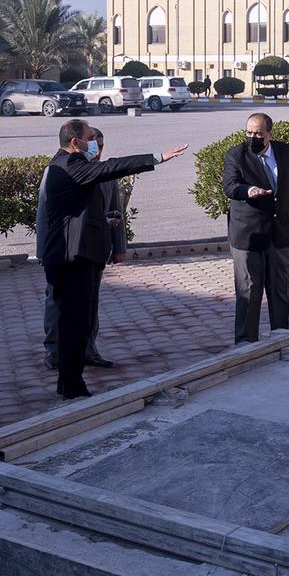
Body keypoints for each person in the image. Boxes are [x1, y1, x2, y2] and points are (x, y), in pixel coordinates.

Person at [42, 119, 186, 399]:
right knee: (75, 325)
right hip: (73, 259)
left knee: (74, 323)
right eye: (90, 138)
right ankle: (72, 387)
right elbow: (112, 167)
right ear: (76, 142)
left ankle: (67, 382)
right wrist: (157, 157)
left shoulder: (64, 163)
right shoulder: (71, 165)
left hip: (74, 255)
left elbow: (77, 211)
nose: (94, 144)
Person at [38, 126, 127, 372]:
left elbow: (117, 210)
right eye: (93, 144)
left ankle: (88, 349)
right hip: (64, 251)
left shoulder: (106, 173)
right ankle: (54, 351)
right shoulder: (59, 170)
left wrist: (119, 246)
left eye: (101, 146)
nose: (97, 150)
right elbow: (44, 213)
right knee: (56, 300)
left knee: (90, 301)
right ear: (78, 144)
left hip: (94, 249)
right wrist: (43, 250)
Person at [223, 113, 289, 344]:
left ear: (269, 134)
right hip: (248, 236)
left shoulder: (285, 152)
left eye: (259, 134)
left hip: (279, 234)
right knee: (248, 292)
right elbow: (230, 186)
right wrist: (249, 190)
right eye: (249, 133)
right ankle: (245, 344)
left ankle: (281, 339)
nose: (253, 137)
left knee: (280, 291)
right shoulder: (236, 155)